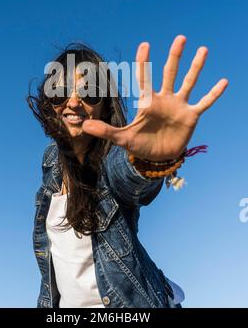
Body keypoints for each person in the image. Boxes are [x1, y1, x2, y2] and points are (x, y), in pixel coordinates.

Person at [27, 35, 228, 308]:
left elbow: (129, 177)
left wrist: (149, 158)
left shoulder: (111, 159)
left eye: (89, 93)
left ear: (104, 106)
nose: (73, 102)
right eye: (60, 91)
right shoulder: (51, 162)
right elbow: (52, 275)